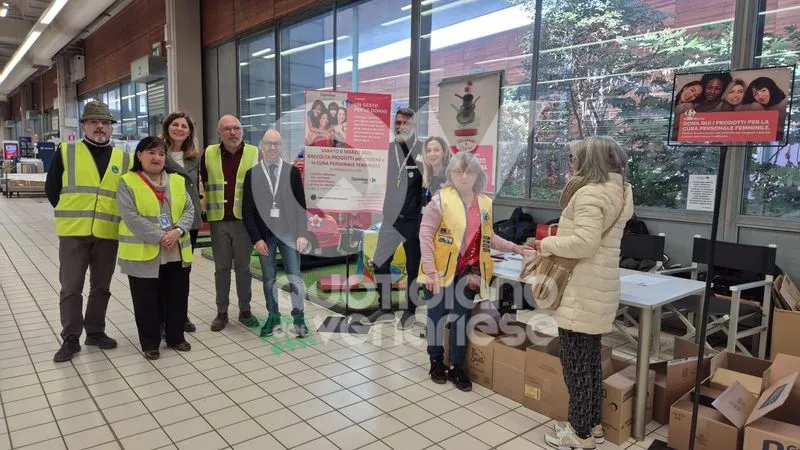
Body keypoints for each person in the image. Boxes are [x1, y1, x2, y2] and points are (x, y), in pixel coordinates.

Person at [531, 136, 633, 449]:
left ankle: (580, 434)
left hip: (581, 289)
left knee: (576, 365)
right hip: (599, 288)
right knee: (589, 361)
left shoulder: (590, 193)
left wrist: (545, 244)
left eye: (575, 158)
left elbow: (584, 244)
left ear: (590, 162)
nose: (571, 164)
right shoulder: (620, 191)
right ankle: (593, 424)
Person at [418, 151, 532, 391]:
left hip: (469, 273)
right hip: (439, 271)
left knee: (461, 320)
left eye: (470, 171)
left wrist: (515, 247)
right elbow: (425, 234)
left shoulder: (485, 203)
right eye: (459, 171)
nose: (464, 176)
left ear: (478, 175)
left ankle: (457, 366)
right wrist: (430, 271)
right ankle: (436, 360)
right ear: (451, 173)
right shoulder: (440, 199)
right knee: (437, 318)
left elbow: (489, 237)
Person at [45, 100, 132, 362]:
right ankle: (71, 338)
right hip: (74, 232)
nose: (100, 127)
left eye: (105, 123)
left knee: (101, 286)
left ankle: (95, 331)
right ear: (83, 125)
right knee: (71, 286)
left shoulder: (124, 158)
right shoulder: (67, 151)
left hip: (107, 231)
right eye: (94, 122)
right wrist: (69, 211)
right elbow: (52, 189)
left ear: (111, 128)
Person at [117, 137, 194, 360]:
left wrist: (177, 231)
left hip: (176, 250)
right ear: (139, 155)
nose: (157, 158)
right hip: (144, 252)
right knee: (146, 301)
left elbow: (189, 209)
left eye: (161, 154)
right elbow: (130, 217)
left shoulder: (177, 181)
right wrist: (161, 236)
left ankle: (176, 337)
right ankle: (150, 343)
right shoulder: (128, 182)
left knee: (177, 297)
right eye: (151, 153)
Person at [243, 129, 311, 338]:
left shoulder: (291, 172)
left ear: (282, 147)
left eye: (277, 144)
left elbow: (301, 205)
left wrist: (302, 234)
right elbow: (248, 210)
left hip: (289, 234)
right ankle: (273, 316)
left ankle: (299, 317)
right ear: (262, 146)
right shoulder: (252, 174)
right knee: (269, 278)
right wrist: (256, 239)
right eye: (268, 143)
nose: (273, 147)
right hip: (265, 236)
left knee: (295, 276)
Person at [362, 108, 424, 329]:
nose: (400, 126)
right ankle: (385, 309)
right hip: (390, 218)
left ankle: (410, 310)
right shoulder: (387, 151)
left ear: (413, 126)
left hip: (413, 220)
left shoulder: (422, 150)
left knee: (413, 266)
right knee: (380, 263)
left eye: (405, 123)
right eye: (397, 122)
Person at [200, 115, 260, 331]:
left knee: (244, 268)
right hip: (218, 221)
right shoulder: (208, 154)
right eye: (227, 129)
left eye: (237, 128)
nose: (233, 132)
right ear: (219, 133)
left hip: (245, 222)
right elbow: (203, 183)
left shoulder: (255, 153)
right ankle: (222, 312)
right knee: (222, 268)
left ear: (242, 131)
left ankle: (245, 309)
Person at [161, 111, 202, 333]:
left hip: (189, 221)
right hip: (165, 220)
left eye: (184, 126)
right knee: (164, 270)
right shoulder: (157, 152)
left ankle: (181, 316)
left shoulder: (194, 157)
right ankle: (162, 317)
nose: (179, 129)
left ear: (189, 131)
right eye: (175, 124)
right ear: (167, 127)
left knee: (183, 271)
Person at [421, 136, 452, 205]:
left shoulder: (450, 177)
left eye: (436, 150)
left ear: (443, 153)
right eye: (429, 151)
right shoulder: (425, 178)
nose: (432, 154)